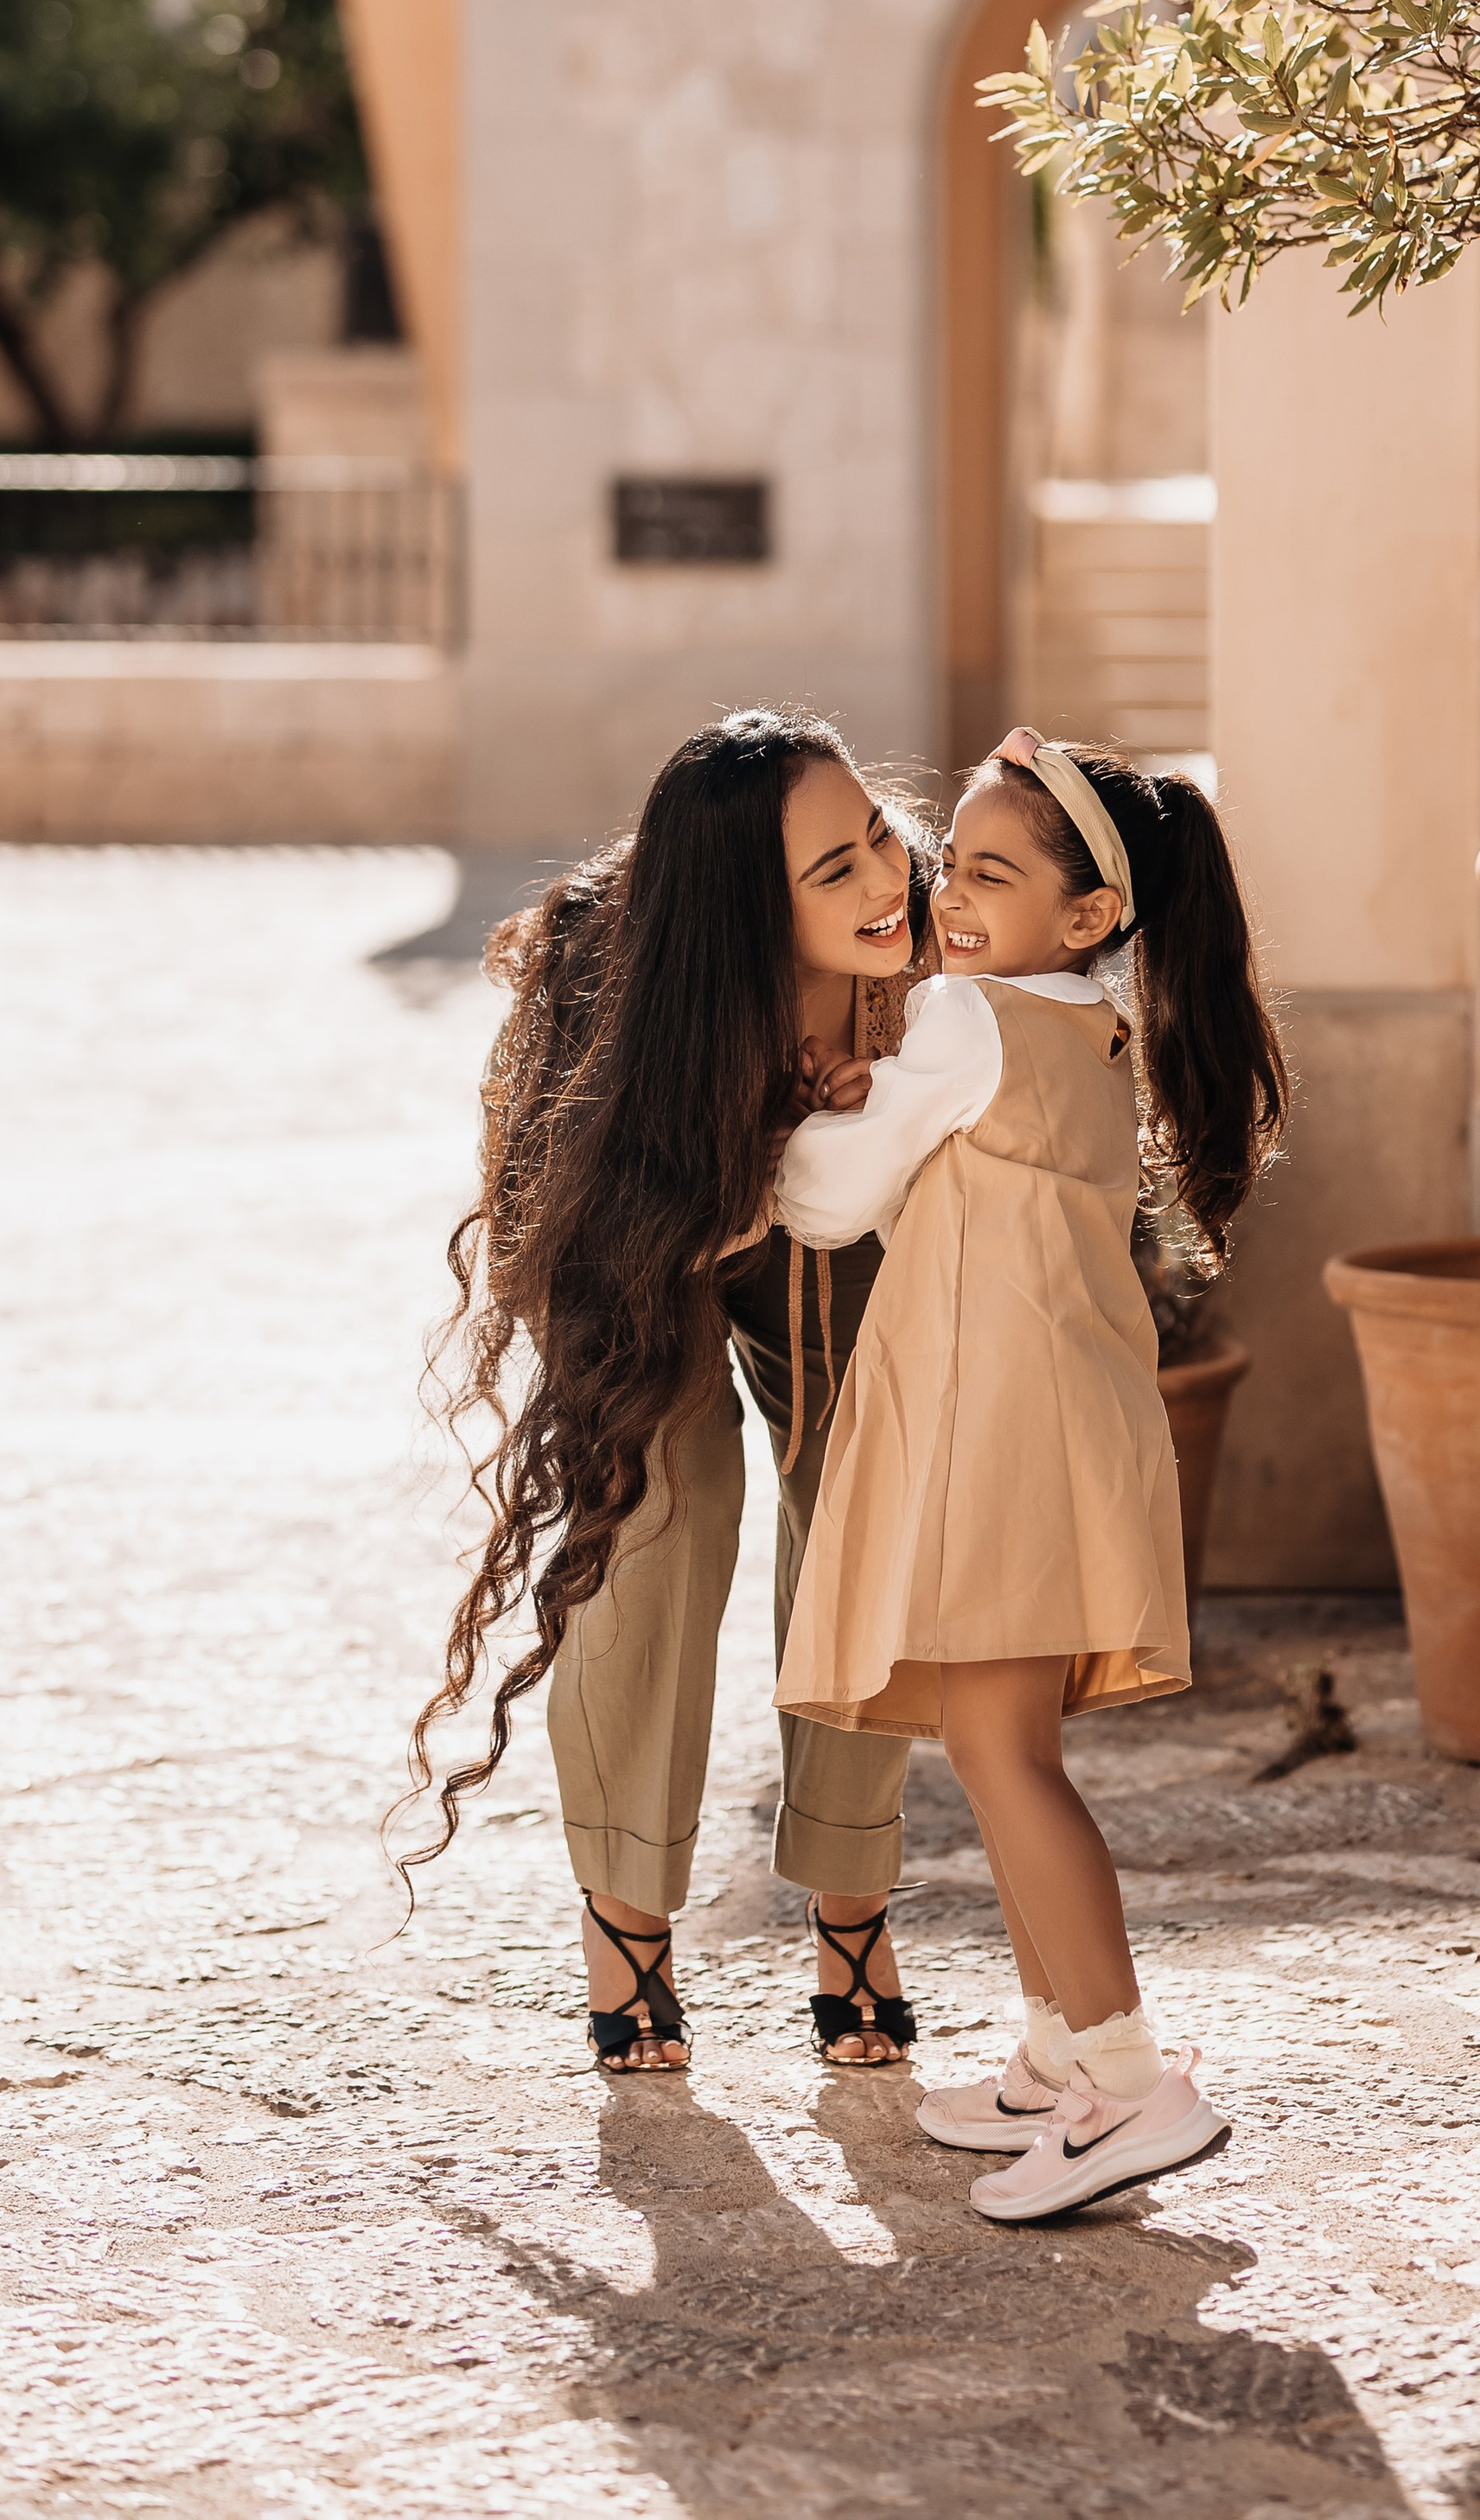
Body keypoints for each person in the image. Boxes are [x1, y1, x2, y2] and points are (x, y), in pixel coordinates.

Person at [771, 729, 1288, 2220]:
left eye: (992, 873)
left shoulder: (966, 1020)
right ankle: (1059, 2054)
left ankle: (1130, 2084)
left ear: (1085, 917)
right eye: (955, 865)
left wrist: (794, 1100)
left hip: (1000, 1428)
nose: (951, 894)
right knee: (1007, 1755)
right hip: (1058, 1421)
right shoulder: (1080, 1026)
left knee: (1006, 1759)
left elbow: (827, 1200)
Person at [401, 708, 935, 2072]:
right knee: (658, 1520)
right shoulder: (618, 985)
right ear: (745, 910)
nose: (885, 878)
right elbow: (556, 1221)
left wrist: (873, 1100)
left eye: (876, 831)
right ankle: (628, 1927)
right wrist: (740, 1154)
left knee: (859, 1517)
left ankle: (854, 1906)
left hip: (847, 1243)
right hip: (654, 1242)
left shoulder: (924, 947)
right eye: (835, 871)